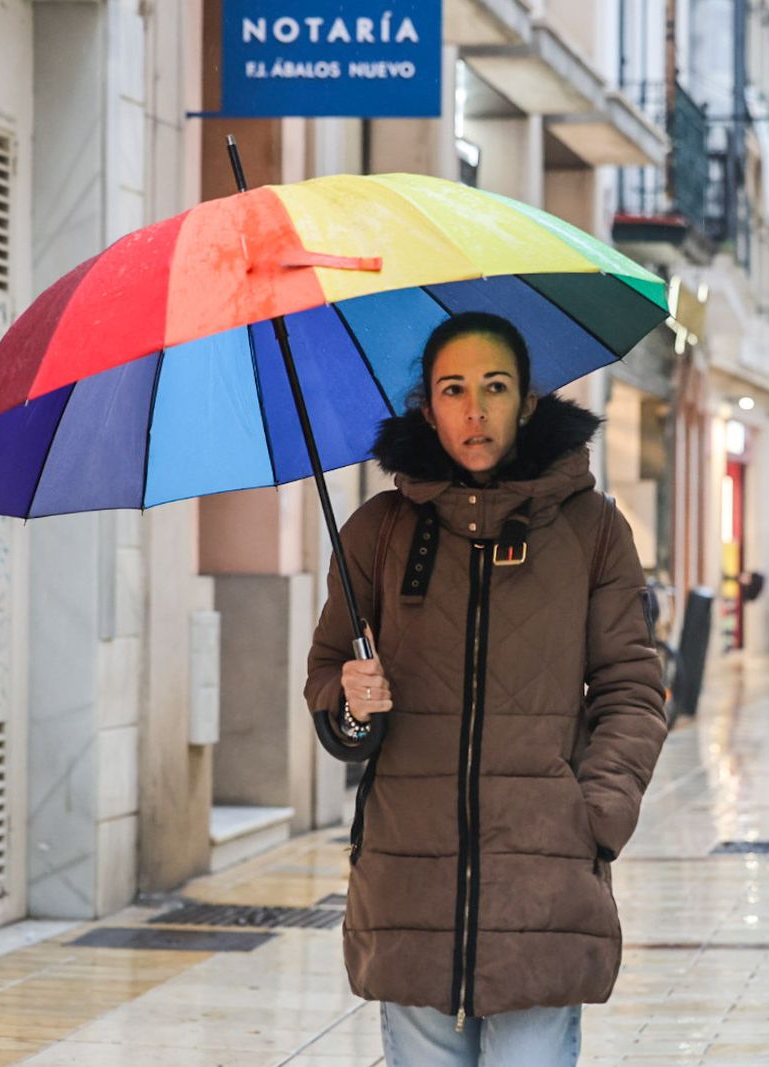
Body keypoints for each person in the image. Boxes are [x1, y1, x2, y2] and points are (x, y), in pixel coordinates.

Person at [305, 313, 668, 1067]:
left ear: (528, 403)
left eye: (495, 387)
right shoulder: (378, 530)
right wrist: (351, 701)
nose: (475, 410)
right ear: (426, 406)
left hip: (544, 881)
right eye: (454, 389)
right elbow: (329, 672)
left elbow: (632, 690)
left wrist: (594, 818)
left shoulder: (593, 528)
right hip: (408, 883)